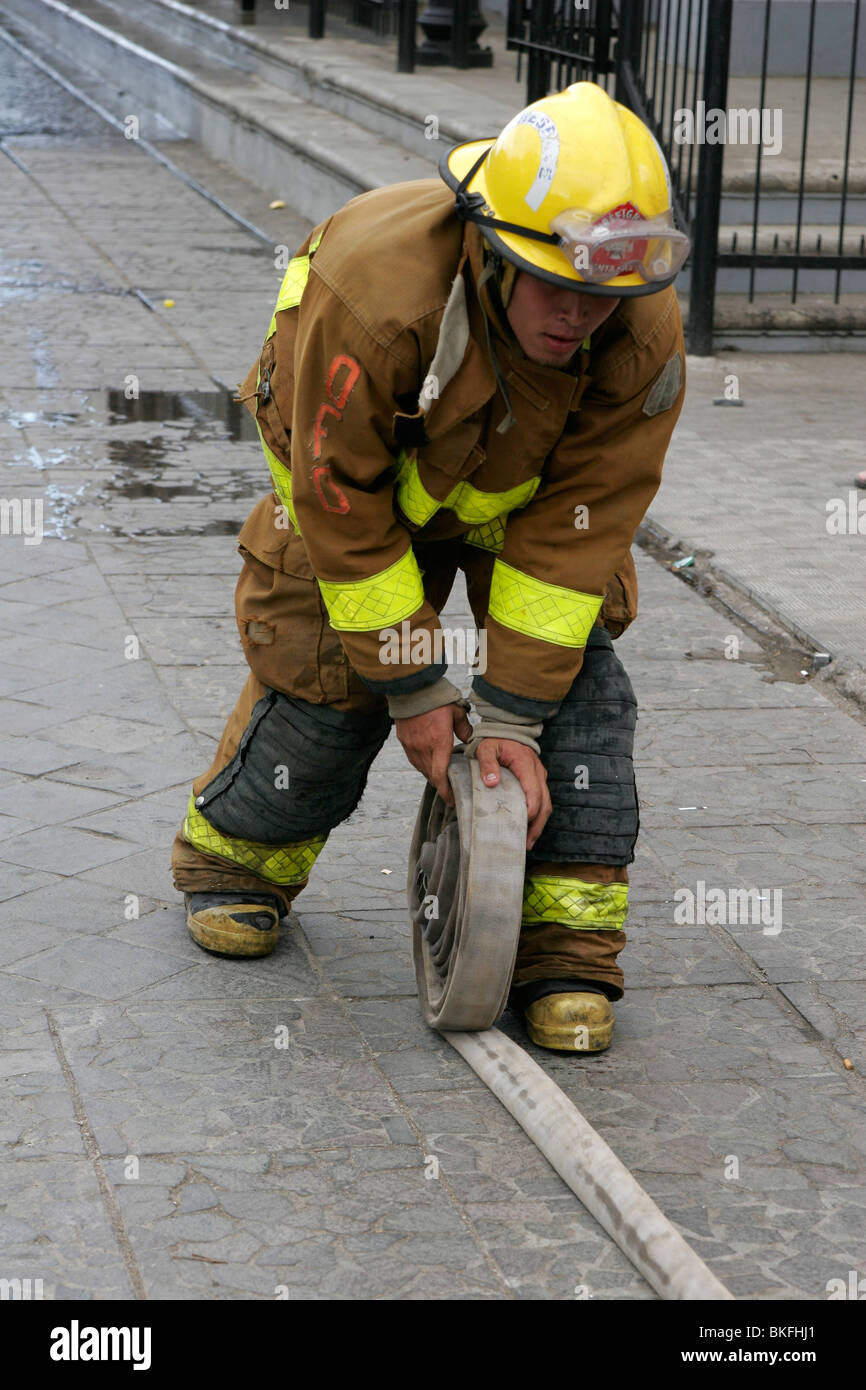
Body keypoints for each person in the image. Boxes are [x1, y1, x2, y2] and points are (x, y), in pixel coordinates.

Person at [170, 81, 689, 1053]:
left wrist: (512, 717)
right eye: (559, 287)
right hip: (353, 487)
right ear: (490, 247)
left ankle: (566, 953)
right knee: (329, 674)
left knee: (578, 692)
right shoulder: (379, 292)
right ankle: (235, 864)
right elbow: (341, 503)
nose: (583, 317)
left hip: (514, 497)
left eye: (605, 296)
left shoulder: (642, 335)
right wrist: (412, 685)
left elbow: (579, 531)